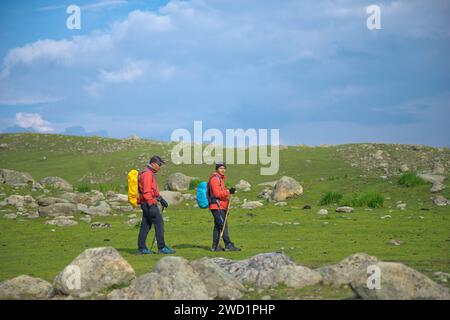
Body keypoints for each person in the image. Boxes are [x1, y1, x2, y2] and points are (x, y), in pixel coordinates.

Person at [137, 155, 175, 255]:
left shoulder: (148, 174)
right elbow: (146, 192)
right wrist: (151, 204)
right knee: (159, 223)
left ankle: (141, 248)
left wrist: (161, 199)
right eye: (159, 165)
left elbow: (153, 191)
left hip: (146, 203)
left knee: (145, 226)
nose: (160, 167)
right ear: (153, 163)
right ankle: (161, 247)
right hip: (148, 203)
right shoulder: (148, 175)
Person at [209, 161, 241, 252]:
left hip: (220, 206)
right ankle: (228, 245)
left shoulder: (220, 179)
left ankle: (215, 246)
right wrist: (228, 192)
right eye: (221, 168)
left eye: (224, 168)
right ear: (217, 169)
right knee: (223, 225)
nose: (223, 170)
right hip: (216, 206)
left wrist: (228, 193)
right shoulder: (215, 179)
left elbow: (222, 194)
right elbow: (217, 193)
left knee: (217, 226)